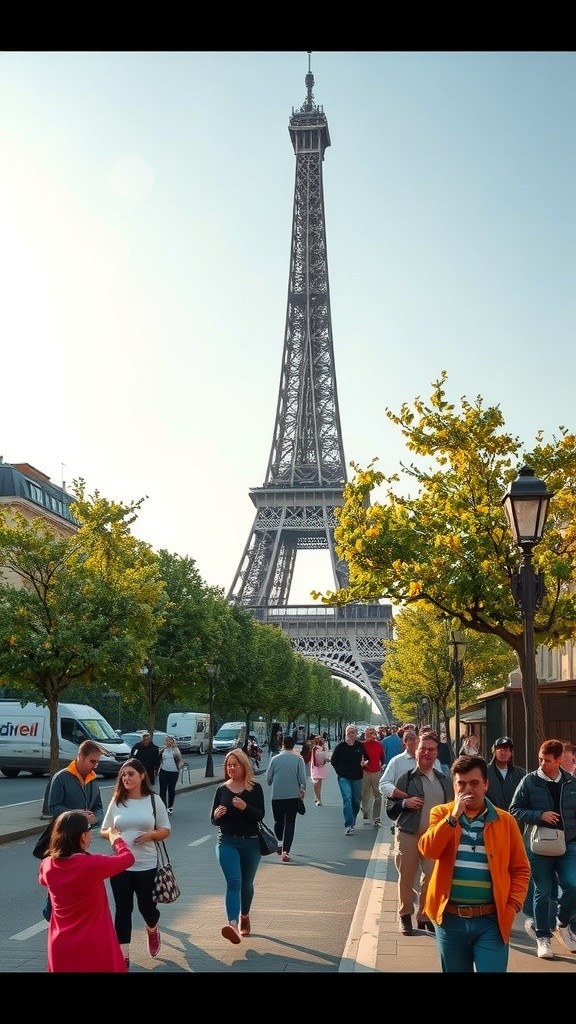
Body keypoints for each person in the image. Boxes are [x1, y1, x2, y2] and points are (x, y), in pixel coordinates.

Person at [418, 753, 530, 973]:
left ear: (486, 785)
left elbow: (521, 868)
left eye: (475, 783)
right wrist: (453, 818)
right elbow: (428, 850)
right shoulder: (441, 814)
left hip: (492, 921)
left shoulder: (505, 821)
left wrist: (513, 904)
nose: (467, 789)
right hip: (450, 920)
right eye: (461, 784)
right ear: (454, 785)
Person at [39, 809, 134, 973]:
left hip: (60, 942)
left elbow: (43, 881)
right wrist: (116, 839)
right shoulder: (93, 865)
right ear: (83, 836)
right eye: (90, 830)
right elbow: (128, 858)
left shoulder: (47, 865)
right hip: (94, 941)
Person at [509, 737, 576, 960]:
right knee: (543, 891)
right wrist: (539, 816)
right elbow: (514, 809)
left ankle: (563, 922)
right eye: (540, 759)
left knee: (572, 885)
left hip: (568, 843)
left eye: (546, 760)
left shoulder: (570, 782)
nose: (541, 764)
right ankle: (543, 936)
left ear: (558, 760)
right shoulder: (529, 781)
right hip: (539, 845)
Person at [101, 757, 171, 969]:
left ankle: (152, 929)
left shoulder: (153, 800)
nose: (126, 778)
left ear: (142, 776)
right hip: (120, 864)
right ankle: (123, 956)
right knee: (123, 909)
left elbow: (166, 830)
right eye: (123, 775)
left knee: (147, 908)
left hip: (146, 864)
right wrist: (114, 837)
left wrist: (151, 835)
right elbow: (105, 829)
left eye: (131, 774)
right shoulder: (117, 800)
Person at [386, 731, 453, 935]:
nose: (426, 753)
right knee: (406, 877)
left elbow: (450, 807)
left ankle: (424, 915)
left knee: (431, 877)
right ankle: (405, 914)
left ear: (436, 753)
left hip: (433, 837)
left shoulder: (444, 780)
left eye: (431, 749)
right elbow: (391, 808)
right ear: (416, 751)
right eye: (423, 749)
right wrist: (404, 803)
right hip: (408, 833)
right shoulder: (405, 779)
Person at [43, 739, 105, 922]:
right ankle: (51, 914)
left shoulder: (92, 780)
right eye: (92, 761)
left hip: (82, 840)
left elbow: (99, 807)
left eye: (97, 762)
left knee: (76, 881)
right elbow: (53, 808)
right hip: (62, 841)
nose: (95, 765)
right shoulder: (62, 777)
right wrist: (75, 814)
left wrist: (96, 818)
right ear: (80, 756)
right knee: (60, 881)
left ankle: (68, 916)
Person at [211, 747, 265, 943]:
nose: (231, 768)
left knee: (246, 884)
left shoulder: (254, 788)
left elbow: (260, 815)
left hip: (251, 843)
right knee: (234, 882)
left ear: (243, 766)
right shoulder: (221, 789)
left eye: (235, 764)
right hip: (226, 842)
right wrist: (216, 816)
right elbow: (213, 820)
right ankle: (232, 924)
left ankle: (245, 916)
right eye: (228, 765)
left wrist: (246, 807)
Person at [265, 734, 306, 860]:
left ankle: (279, 839)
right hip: (293, 796)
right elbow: (302, 779)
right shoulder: (298, 760)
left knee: (279, 821)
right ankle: (286, 851)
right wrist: (302, 789)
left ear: (282, 744)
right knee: (290, 823)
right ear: (293, 746)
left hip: (277, 797)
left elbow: (268, 779)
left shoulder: (275, 759)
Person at [331, 724, 367, 835]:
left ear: (356, 734)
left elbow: (367, 758)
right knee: (347, 798)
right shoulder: (340, 747)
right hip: (344, 777)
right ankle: (349, 824)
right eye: (348, 732)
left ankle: (353, 817)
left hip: (357, 776)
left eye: (353, 732)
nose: (351, 734)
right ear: (346, 733)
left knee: (356, 800)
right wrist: (340, 772)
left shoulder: (360, 746)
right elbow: (333, 761)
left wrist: (365, 763)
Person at [486, 736, 526, 811]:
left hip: (514, 818)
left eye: (507, 749)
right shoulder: (485, 772)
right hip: (492, 817)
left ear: (511, 753)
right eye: (500, 749)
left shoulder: (520, 773)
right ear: (494, 751)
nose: (504, 752)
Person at [360, 726, 386, 826]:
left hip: (376, 772)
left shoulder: (379, 745)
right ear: (365, 735)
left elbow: (382, 757)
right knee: (364, 794)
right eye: (369, 733)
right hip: (365, 772)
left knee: (378, 796)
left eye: (373, 733)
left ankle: (376, 818)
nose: (371, 735)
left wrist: (382, 766)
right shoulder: (362, 746)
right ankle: (365, 811)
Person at [158, 735, 183, 813]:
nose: (168, 742)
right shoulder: (163, 750)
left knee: (171, 789)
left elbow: (180, 760)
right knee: (162, 789)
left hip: (174, 772)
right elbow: (159, 759)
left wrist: (179, 766)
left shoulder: (176, 750)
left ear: (173, 741)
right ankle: (163, 806)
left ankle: (170, 806)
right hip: (164, 770)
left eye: (170, 740)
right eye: (167, 740)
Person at [310, 735, 329, 805]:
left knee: (319, 782)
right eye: (318, 739)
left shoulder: (323, 747)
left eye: (320, 739)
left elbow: (326, 756)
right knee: (315, 782)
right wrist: (315, 764)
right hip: (315, 766)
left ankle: (318, 796)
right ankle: (318, 799)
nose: (319, 740)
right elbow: (313, 758)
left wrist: (324, 761)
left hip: (321, 766)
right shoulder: (314, 748)